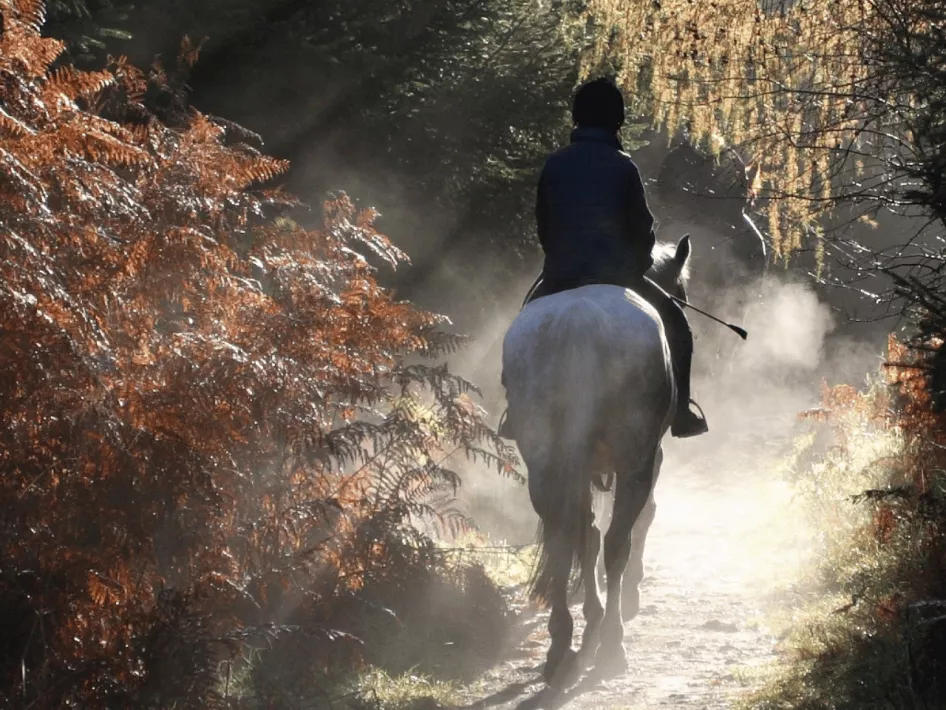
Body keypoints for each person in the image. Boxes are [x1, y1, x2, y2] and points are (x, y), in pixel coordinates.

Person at [507, 77, 708, 439]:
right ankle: (681, 412)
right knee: (677, 324)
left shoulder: (554, 165)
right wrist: (637, 264)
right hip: (618, 276)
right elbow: (643, 229)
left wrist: (561, 258)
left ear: (576, 118)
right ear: (617, 121)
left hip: (561, 275)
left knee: (521, 323)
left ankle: (514, 409)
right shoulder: (623, 166)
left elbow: (544, 223)